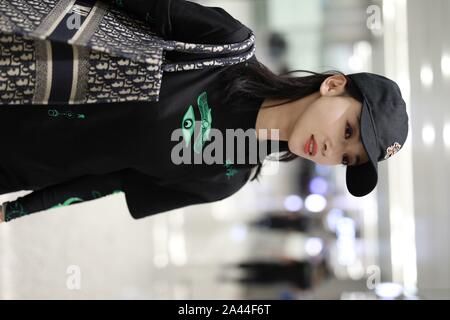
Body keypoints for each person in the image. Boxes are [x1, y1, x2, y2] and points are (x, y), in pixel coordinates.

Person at [0, 0, 409, 223]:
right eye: (350, 131)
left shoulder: (223, 179)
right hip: (19, 74)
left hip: (16, 168)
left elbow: (108, 181)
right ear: (333, 86)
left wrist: (13, 211)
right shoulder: (225, 47)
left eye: (346, 158)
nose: (333, 150)